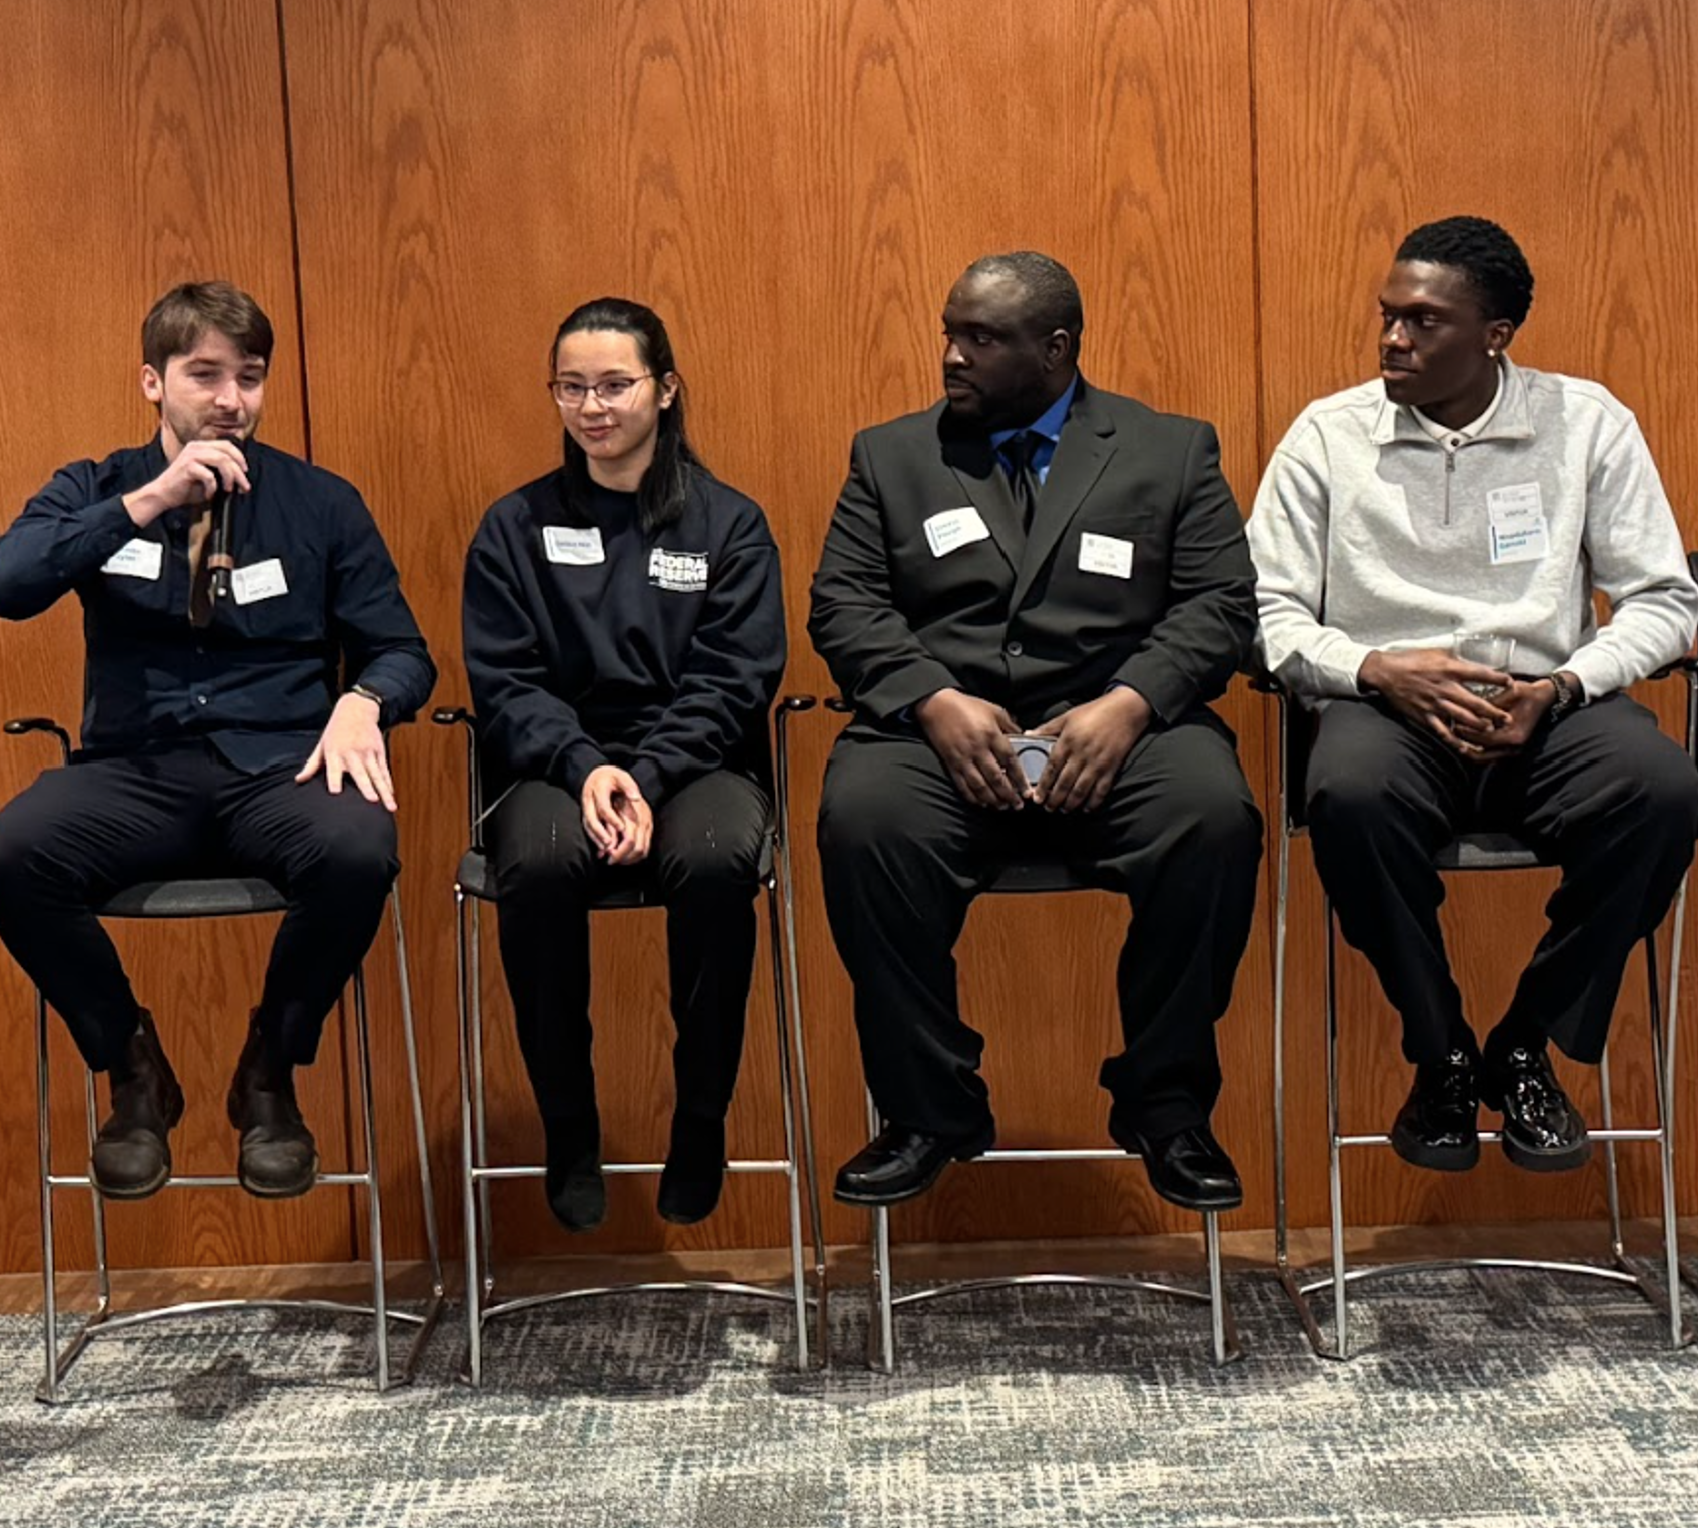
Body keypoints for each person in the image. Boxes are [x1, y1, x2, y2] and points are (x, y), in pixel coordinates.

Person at [809, 251, 1262, 1213]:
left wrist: (1131, 702)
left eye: (981, 338)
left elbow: (1222, 603)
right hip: (940, 738)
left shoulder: (1169, 449)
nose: (952, 355)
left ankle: (1166, 1107)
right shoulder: (892, 456)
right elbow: (843, 604)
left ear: (1055, 349)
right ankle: (928, 1110)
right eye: (950, 332)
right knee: (865, 820)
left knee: (1213, 814)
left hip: (1120, 732)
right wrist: (932, 699)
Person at [1248, 215, 1698, 1174]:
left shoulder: (1586, 423)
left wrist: (1568, 684)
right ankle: (1441, 1052)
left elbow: (1664, 599)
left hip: (1548, 705)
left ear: (1495, 335)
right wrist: (1374, 669)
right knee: (1348, 795)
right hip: (1388, 710)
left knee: (1663, 791)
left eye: (1423, 321)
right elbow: (1263, 610)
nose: (1392, 340)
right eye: (1388, 315)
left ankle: (1527, 1044)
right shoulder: (1329, 436)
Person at [0, 281, 434, 1200]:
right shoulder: (96, 488)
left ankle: (271, 1070)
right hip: (134, 771)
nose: (231, 399)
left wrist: (364, 701)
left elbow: (402, 651)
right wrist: (147, 502)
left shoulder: (321, 503)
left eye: (250, 376)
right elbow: (12, 582)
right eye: (205, 375)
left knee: (358, 848)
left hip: (279, 766)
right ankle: (131, 1067)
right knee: (12, 851)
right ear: (152, 382)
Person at [463, 298, 785, 1232]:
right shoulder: (514, 526)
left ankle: (701, 1121)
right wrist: (583, 765)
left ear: (666, 388)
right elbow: (505, 680)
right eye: (571, 387)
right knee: (539, 863)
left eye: (614, 385)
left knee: (717, 859)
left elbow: (736, 678)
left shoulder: (729, 524)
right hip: (552, 762)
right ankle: (570, 1129)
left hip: (697, 760)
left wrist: (645, 773)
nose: (592, 407)